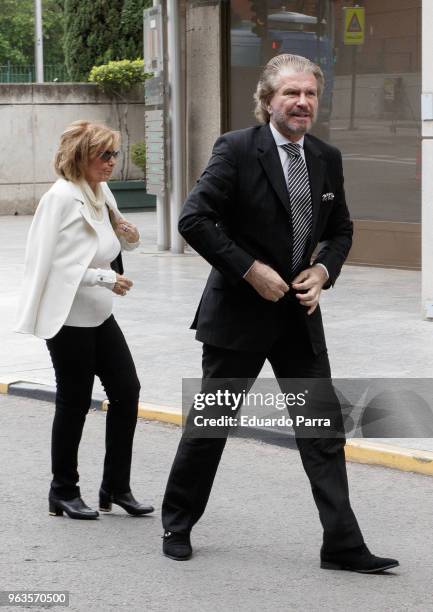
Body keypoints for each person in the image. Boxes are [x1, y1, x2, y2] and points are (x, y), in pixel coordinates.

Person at [161, 54, 399, 573]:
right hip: (239, 316)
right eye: (291, 93)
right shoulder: (237, 149)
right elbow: (194, 219)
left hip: (298, 317)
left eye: (310, 94)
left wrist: (324, 273)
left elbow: (340, 229)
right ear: (268, 99)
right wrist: (250, 270)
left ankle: (341, 543)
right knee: (211, 424)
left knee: (322, 430)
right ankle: (177, 521)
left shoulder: (326, 156)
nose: (302, 102)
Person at [15, 120, 154, 520]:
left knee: (127, 392)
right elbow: (48, 265)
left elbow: (110, 239)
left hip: (99, 314)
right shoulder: (60, 198)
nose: (113, 162)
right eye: (104, 155)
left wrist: (127, 234)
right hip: (67, 317)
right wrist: (104, 277)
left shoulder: (100, 190)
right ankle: (63, 490)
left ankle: (116, 487)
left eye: (115, 154)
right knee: (74, 402)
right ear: (81, 156)